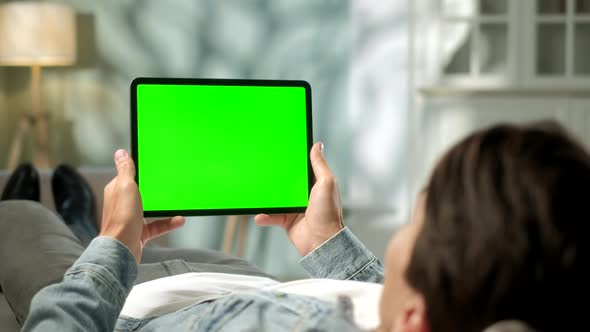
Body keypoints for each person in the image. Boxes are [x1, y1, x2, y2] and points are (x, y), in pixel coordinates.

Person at [1, 121, 587, 331]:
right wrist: (328, 243)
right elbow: (389, 299)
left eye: (416, 222)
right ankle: (82, 227)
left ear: (416, 318)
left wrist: (110, 247)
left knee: (20, 214)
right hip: (243, 283)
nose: (403, 239)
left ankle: (81, 229)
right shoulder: (447, 312)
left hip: (118, 310)